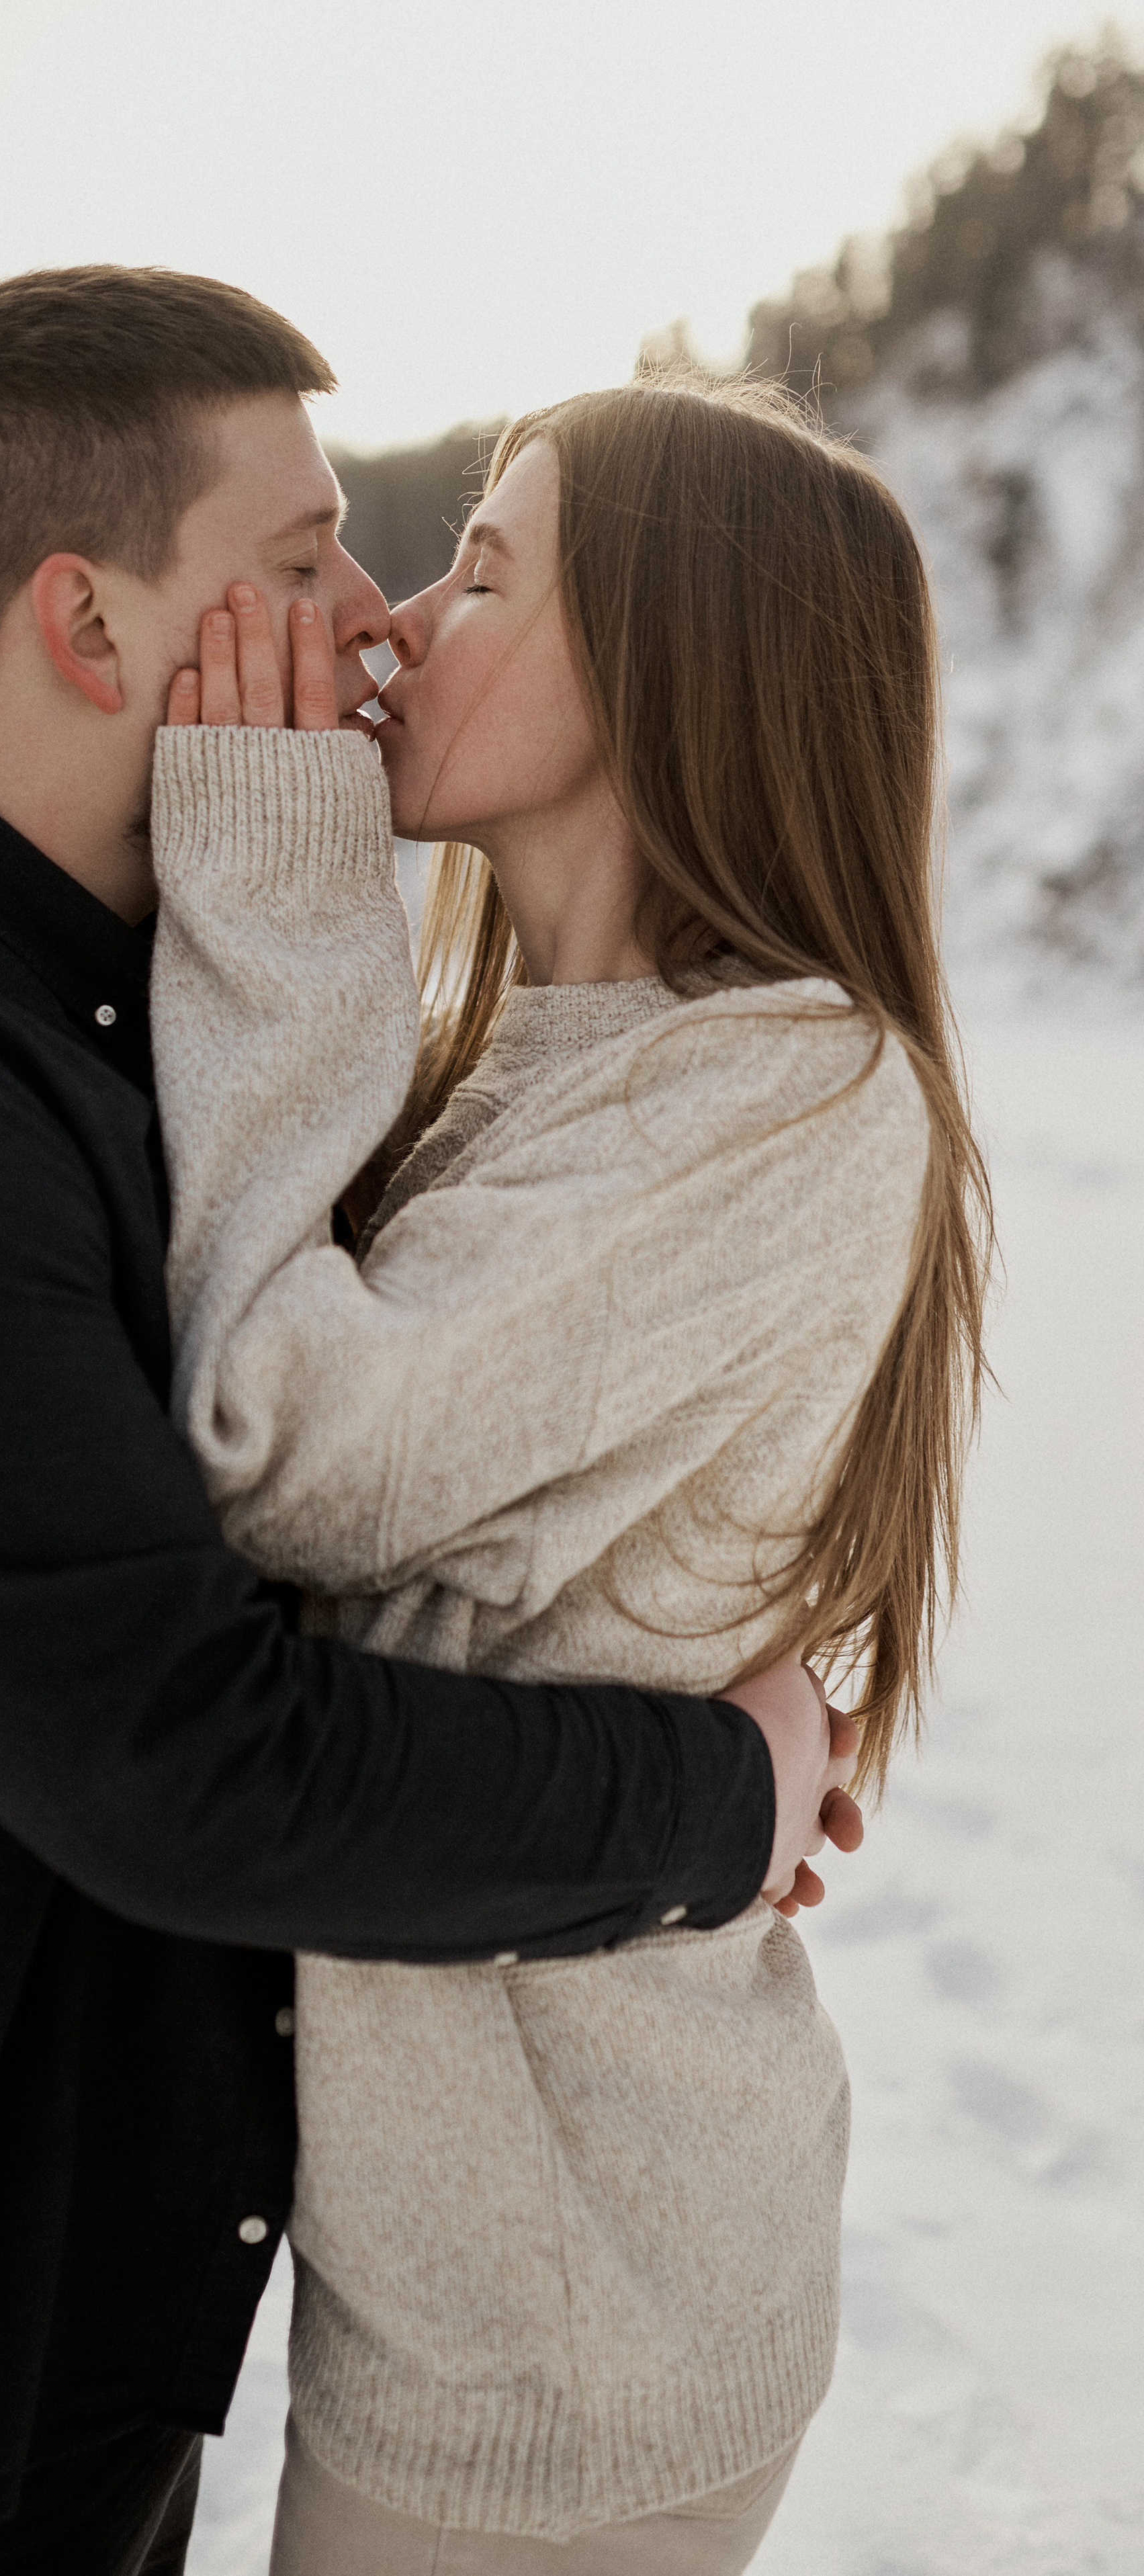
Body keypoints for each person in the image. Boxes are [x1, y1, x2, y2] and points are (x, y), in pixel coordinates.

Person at [0, 274, 852, 2576]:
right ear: (93, 633)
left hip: (44, 2315)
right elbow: (189, 1752)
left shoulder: (105, 1017)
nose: (371, 624)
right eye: (302, 564)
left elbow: (348, 1518)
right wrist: (708, 1792)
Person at [148, 374, 992, 2572]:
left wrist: (269, 872)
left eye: (490, 569)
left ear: (675, 667)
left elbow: (281, 1452)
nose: (405, 622)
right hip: (486, 2267)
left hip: (578, 2323)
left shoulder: (797, 1096)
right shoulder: (546, 1062)